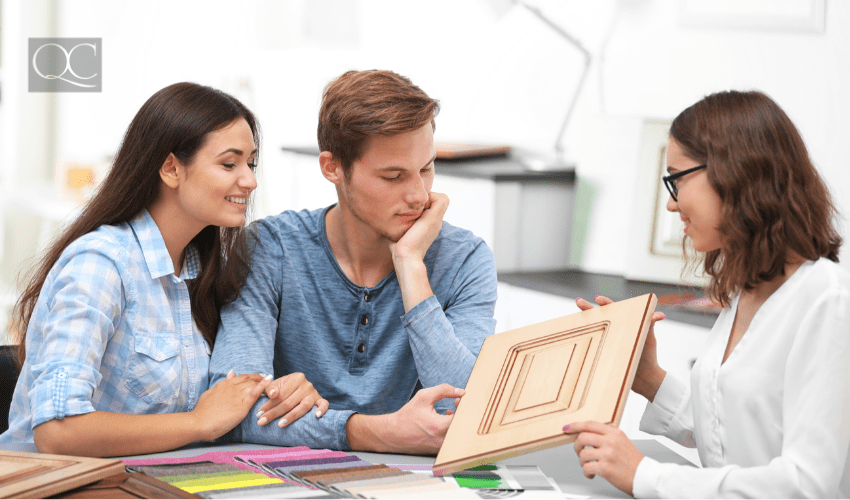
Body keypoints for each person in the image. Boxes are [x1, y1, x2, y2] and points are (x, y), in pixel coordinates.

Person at [0, 82, 327, 457]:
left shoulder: (201, 271)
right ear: (171, 168)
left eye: (251, 163)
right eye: (229, 163)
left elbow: (220, 408)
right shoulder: (101, 265)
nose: (250, 180)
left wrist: (276, 393)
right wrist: (198, 422)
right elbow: (58, 433)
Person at [565, 90, 850, 497]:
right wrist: (649, 378)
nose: (670, 203)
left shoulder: (827, 301)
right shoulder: (746, 294)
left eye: (677, 179)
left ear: (735, 171)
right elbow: (737, 436)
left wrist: (645, 474)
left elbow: (806, 484)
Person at [208, 69, 498, 454]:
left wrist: (411, 264)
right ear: (332, 168)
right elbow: (234, 409)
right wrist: (378, 432)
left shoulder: (466, 259)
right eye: (393, 176)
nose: (418, 195)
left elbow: (466, 409)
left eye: (426, 169)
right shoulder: (269, 248)